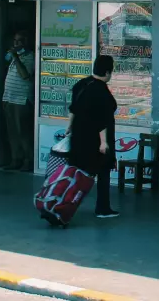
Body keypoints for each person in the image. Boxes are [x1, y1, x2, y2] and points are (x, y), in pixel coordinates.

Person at [69, 55, 119, 219]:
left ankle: (64, 201)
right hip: (95, 140)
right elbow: (102, 120)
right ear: (107, 72)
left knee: (77, 173)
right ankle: (103, 208)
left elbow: (73, 109)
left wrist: (69, 128)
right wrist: (104, 143)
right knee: (103, 172)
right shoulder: (101, 91)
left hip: (78, 137)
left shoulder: (82, 84)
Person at [2, 30, 35, 171]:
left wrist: (16, 57)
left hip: (22, 99)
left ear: (25, 42)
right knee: (12, 131)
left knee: (23, 131)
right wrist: (13, 56)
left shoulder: (30, 56)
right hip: (9, 97)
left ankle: (28, 160)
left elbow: (25, 75)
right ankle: (16, 158)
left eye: (19, 41)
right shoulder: (15, 56)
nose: (16, 43)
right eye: (14, 41)